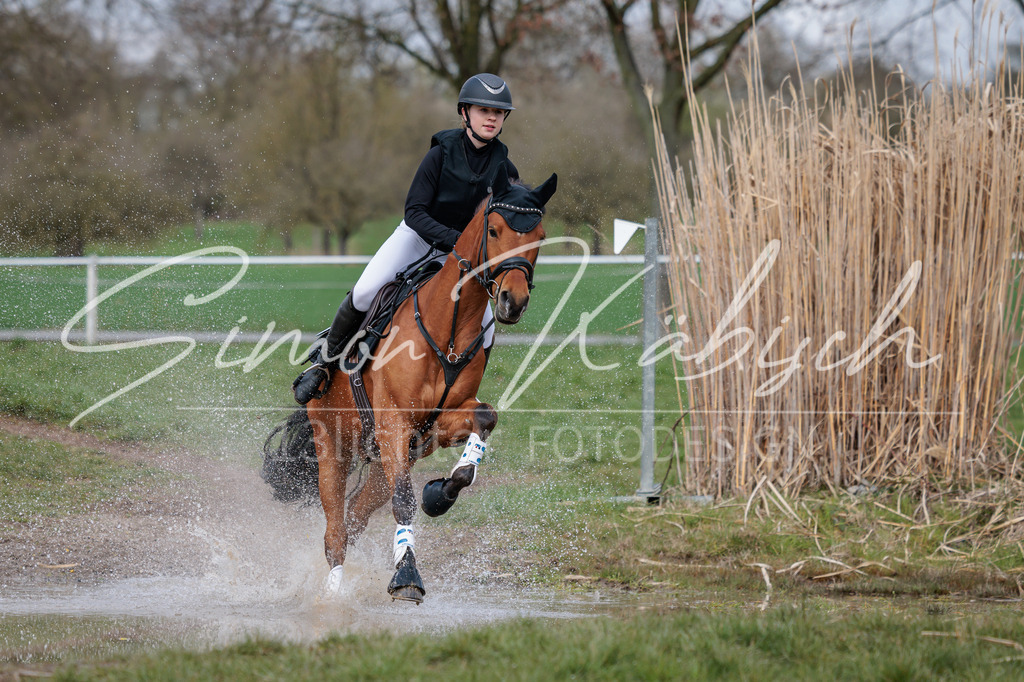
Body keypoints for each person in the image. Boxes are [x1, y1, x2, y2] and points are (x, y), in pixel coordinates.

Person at [293, 73, 520, 404]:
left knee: (485, 325)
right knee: (366, 291)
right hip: (416, 239)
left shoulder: (506, 169)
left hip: (459, 258)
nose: (491, 117)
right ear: (465, 113)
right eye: (483, 110)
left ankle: (461, 393)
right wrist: (457, 240)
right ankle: (324, 365)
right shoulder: (440, 154)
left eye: (498, 113)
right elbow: (415, 212)